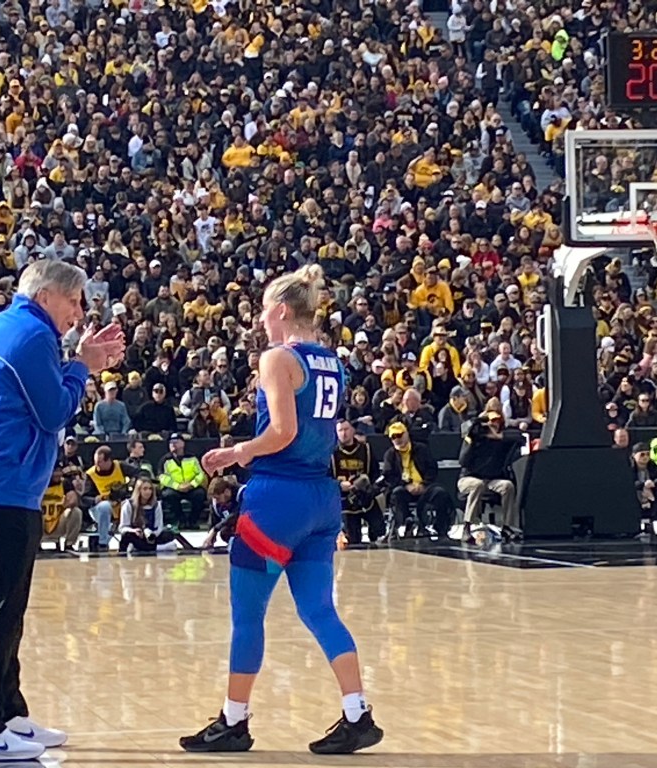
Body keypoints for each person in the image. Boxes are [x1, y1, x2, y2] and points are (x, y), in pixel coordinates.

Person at [181, 265, 382, 755]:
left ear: (280, 310)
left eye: (262, 311)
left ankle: (234, 721)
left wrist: (237, 453)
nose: (258, 321)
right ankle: (357, 713)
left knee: (247, 615)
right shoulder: (332, 361)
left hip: (278, 497)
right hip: (320, 498)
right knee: (319, 610)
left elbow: (283, 433)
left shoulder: (277, 358)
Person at [0, 260, 124, 762]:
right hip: (1, 487)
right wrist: (82, 366)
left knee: (3, 609)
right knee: (3, 612)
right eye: (74, 301)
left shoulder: (8, 323)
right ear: (48, 295)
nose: (78, 312)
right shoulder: (31, 337)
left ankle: (8, 710)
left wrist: (76, 360)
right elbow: (55, 411)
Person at [457, 410, 525, 542]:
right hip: (469, 478)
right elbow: (463, 461)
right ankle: (467, 526)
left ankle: (507, 526)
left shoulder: (503, 440)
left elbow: (520, 438)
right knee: (477, 485)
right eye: (489, 422)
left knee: (507, 486)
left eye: (495, 421)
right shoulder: (475, 439)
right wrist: (472, 441)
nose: (492, 424)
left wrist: (499, 437)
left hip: (491, 480)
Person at [382, 421, 455, 541]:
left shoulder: (421, 449)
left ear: (406, 434)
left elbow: (432, 469)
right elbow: (389, 476)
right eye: (394, 437)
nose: (397, 439)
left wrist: (424, 484)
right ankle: (407, 523)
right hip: (404, 489)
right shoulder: (390, 455)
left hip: (424, 487)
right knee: (396, 493)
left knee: (440, 493)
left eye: (399, 435)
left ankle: (442, 528)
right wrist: (406, 485)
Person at [158, 434, 208, 528]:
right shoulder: (165, 460)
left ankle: (193, 521)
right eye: (170, 443)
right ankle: (180, 521)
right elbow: (162, 477)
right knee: (169, 495)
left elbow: (200, 474)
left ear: (182, 444)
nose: (172, 444)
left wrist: (192, 484)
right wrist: (177, 486)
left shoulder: (192, 458)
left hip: (191, 487)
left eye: (175, 442)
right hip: (174, 488)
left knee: (200, 494)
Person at [40, 467, 83, 552]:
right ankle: (35, 544)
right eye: (55, 471)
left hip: (59, 521)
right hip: (41, 524)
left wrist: (70, 501)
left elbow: (73, 499)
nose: (58, 474)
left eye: (59, 471)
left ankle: (69, 544)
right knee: (32, 514)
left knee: (76, 512)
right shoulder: (39, 483)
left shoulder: (65, 483)